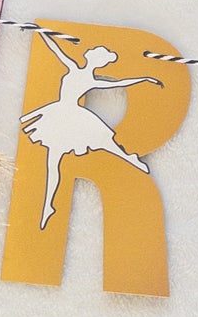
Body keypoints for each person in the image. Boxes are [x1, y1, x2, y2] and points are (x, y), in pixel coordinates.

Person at [20, 35, 163, 228]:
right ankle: (48, 206)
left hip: (70, 115)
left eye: (93, 54)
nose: (88, 53)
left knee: (101, 141)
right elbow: (55, 49)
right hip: (60, 114)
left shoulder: (89, 79)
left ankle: (130, 158)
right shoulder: (73, 67)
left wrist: (145, 78)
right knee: (54, 162)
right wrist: (41, 32)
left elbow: (119, 83)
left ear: (95, 60)